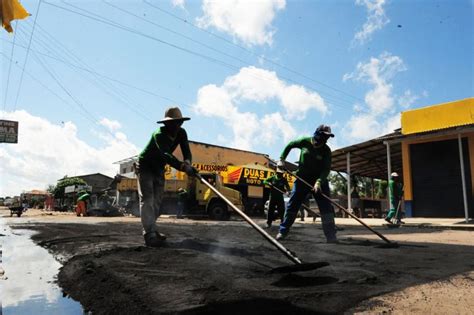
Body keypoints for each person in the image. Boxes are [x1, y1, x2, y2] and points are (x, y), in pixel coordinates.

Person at [136, 107, 197, 247]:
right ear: (166, 123)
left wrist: (187, 162)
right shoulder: (159, 134)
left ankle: (152, 229)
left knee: (157, 200)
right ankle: (149, 234)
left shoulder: (182, 133)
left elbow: (186, 151)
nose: (176, 126)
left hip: (159, 167)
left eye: (179, 123)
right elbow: (166, 155)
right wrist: (182, 167)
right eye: (173, 123)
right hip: (145, 165)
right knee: (148, 199)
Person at [276, 124, 338, 243]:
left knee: (326, 208)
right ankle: (283, 231)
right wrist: (282, 159)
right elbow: (290, 145)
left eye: (328, 137)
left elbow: (326, 169)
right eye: (325, 136)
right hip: (302, 179)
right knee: (293, 204)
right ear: (318, 134)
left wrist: (319, 182)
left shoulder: (326, 150)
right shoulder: (304, 141)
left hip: (319, 181)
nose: (326, 139)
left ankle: (331, 236)